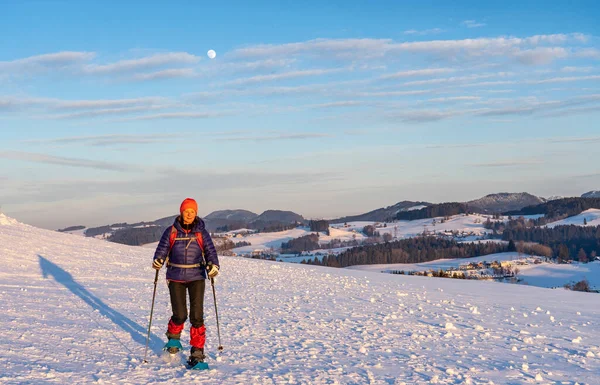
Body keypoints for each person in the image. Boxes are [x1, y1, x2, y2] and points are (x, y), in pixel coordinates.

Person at [152, 198, 220, 367]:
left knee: (197, 316)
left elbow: (210, 251)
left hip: (197, 276)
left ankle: (197, 352)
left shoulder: (201, 233)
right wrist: (158, 260)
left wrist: (214, 266)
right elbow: (162, 249)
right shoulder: (171, 231)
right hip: (175, 276)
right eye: (186, 211)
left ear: (195, 214)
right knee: (180, 314)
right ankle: (174, 340)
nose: (189, 215)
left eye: (192, 212)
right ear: (181, 212)